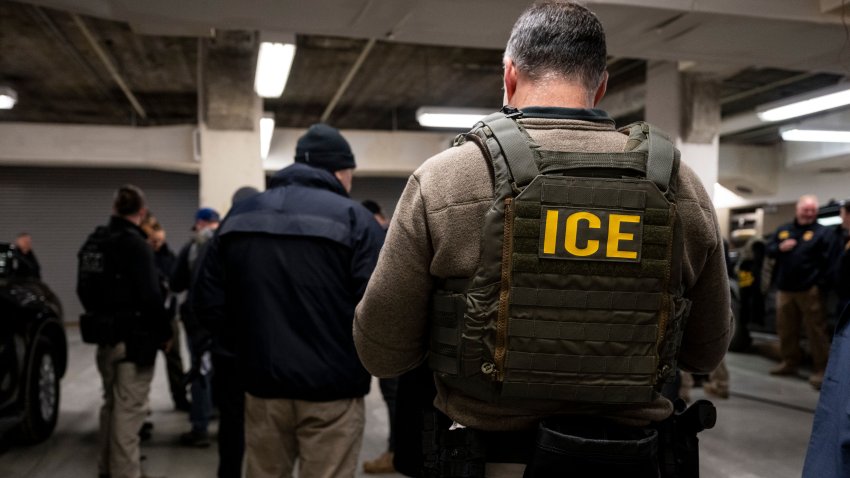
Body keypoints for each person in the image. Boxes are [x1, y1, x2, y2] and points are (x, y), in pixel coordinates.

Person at [353, 3, 732, 476]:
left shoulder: (446, 179)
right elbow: (706, 352)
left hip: (491, 458)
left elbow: (382, 351)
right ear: (602, 84)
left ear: (509, 75)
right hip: (631, 460)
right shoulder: (681, 187)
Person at [193, 124, 384, 478]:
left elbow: (205, 301)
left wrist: (244, 354)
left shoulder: (240, 216)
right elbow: (378, 308)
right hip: (333, 392)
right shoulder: (357, 221)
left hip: (262, 387)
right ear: (339, 171)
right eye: (351, 175)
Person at [77, 184, 171, 478]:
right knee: (129, 415)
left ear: (114, 208)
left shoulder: (93, 243)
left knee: (111, 406)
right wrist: (165, 332)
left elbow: (83, 288)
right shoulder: (136, 245)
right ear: (141, 213)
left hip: (105, 339)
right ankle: (125, 473)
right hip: (135, 340)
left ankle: (106, 469)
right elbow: (151, 297)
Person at [766, 194, 832, 389]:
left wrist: (819, 284)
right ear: (798, 210)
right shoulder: (785, 230)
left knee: (816, 331)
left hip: (809, 290)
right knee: (786, 329)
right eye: (806, 209)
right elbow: (769, 249)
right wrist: (780, 247)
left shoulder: (822, 232)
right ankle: (789, 362)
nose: (810, 213)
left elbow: (827, 260)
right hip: (785, 289)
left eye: (813, 210)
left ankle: (821, 369)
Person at [171, 207, 221, 447]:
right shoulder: (230, 242)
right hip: (227, 321)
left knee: (201, 371)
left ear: (199, 223)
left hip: (198, 321)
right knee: (225, 371)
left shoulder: (191, 247)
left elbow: (176, 282)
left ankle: (200, 425)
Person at [359, 200, 397, 475]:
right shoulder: (388, 237)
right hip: (393, 334)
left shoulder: (388, 240)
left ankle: (395, 452)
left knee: (394, 395)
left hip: (395, 335)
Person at [140, 214, 189, 413]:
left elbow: (177, 279)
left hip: (169, 316)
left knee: (175, 360)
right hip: (147, 318)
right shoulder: (142, 256)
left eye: (160, 240)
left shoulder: (169, 256)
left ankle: (180, 398)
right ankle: (142, 406)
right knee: (144, 364)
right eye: (153, 241)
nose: (157, 244)